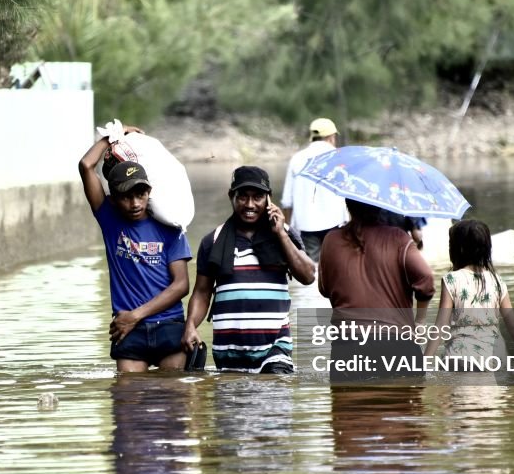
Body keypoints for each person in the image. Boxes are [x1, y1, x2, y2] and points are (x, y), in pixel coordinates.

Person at [182, 166, 316, 374]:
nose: (250, 204)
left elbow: (308, 276)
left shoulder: (285, 234)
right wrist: (190, 325)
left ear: (268, 199)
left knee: (274, 394)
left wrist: (280, 233)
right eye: (242, 197)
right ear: (231, 197)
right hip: (228, 352)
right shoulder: (213, 241)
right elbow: (202, 292)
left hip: (274, 349)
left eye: (258, 197)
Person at [79, 130, 192, 372]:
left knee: (172, 400)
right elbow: (86, 165)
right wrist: (114, 134)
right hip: (128, 331)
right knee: (128, 403)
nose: (135, 204)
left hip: (167, 325)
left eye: (140, 194)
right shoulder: (110, 220)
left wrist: (136, 315)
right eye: (126, 197)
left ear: (149, 192)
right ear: (113, 198)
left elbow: (181, 285)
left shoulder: (169, 225)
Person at [318, 200, 435, 380]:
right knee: (405, 405)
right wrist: (419, 321)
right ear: (380, 206)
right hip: (397, 344)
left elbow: (325, 288)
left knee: (348, 406)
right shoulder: (399, 238)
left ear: (348, 205)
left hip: (347, 348)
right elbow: (426, 280)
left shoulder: (331, 240)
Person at [424, 219, 514, 360]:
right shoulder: (498, 281)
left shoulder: (451, 280)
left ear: (456, 249)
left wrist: (424, 362)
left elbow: (441, 325)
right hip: (494, 357)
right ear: (487, 248)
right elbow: (513, 325)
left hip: (460, 355)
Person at [280, 117, 348, 262]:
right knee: (334, 267)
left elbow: (287, 202)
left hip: (306, 226)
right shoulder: (340, 157)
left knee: (311, 271)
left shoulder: (297, 159)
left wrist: (286, 234)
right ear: (331, 137)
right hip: (336, 225)